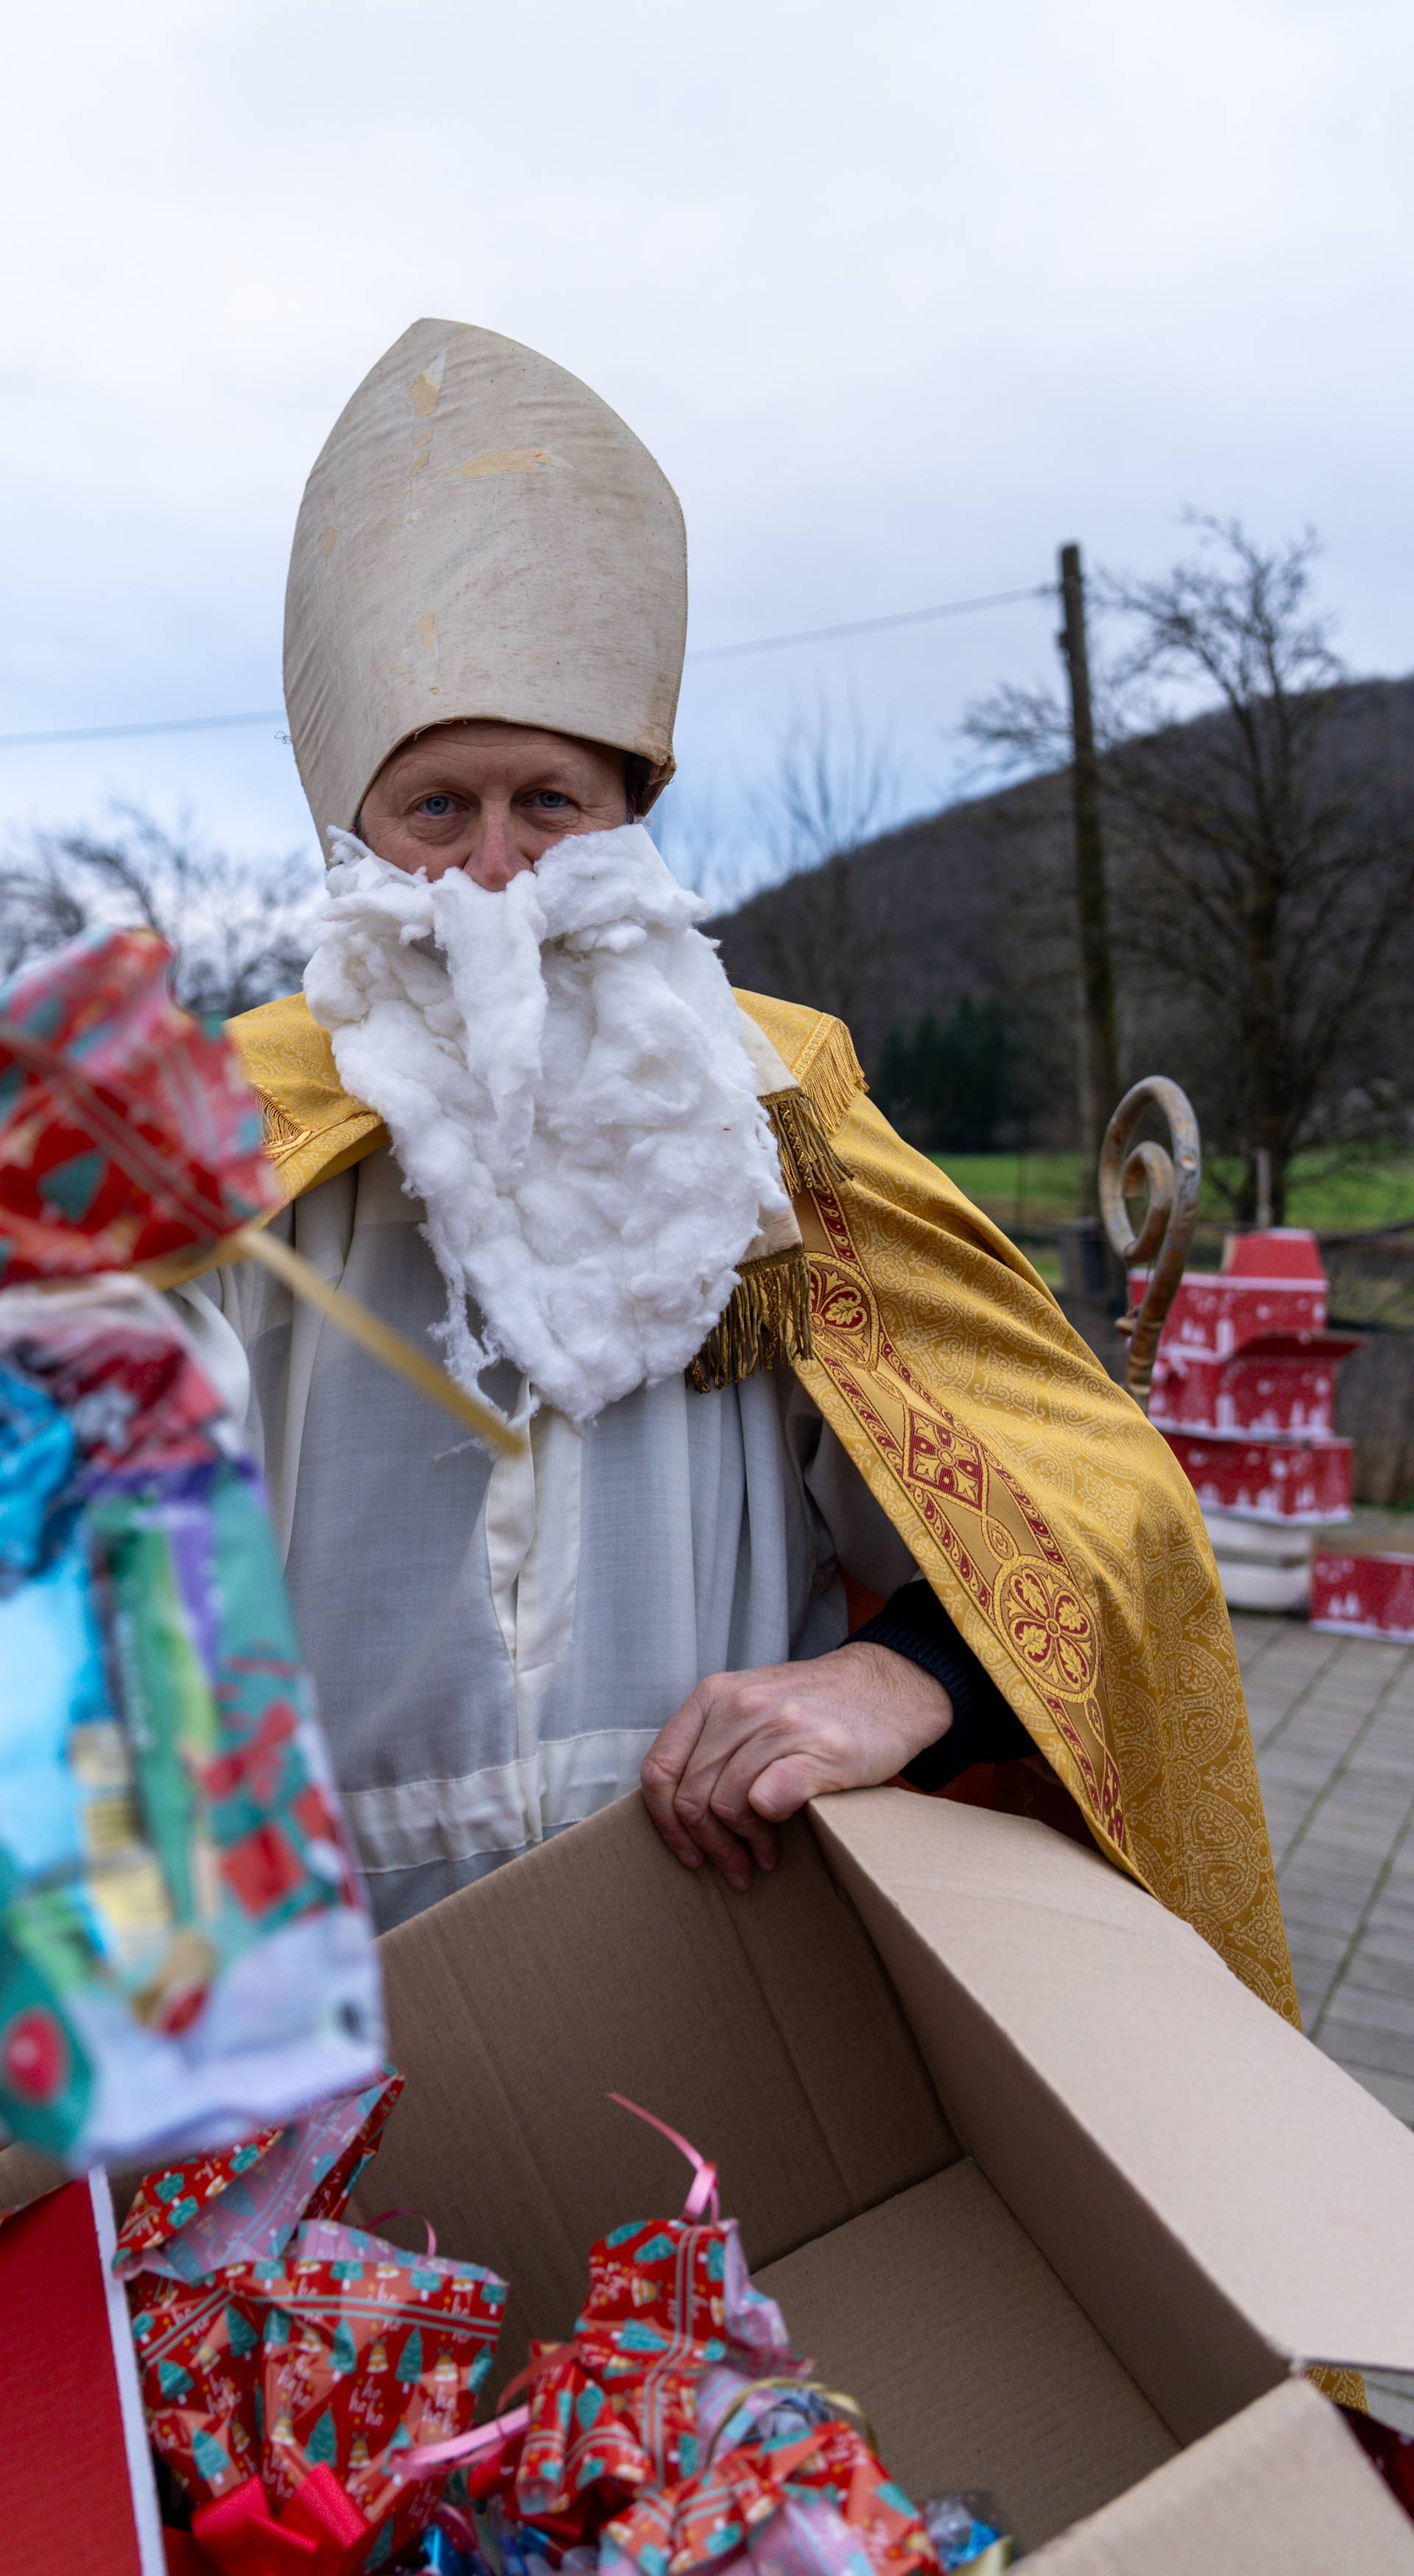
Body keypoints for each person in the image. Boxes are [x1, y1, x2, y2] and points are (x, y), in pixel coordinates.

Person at [170, 317, 1296, 2023]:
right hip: (301, 2008)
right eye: (435, 810)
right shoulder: (217, 1143)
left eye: (548, 800)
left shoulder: (775, 1107)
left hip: (722, 1972)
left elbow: (1099, 1518)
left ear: (631, 815)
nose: (493, 878)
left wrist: (896, 1675)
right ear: (354, 837)